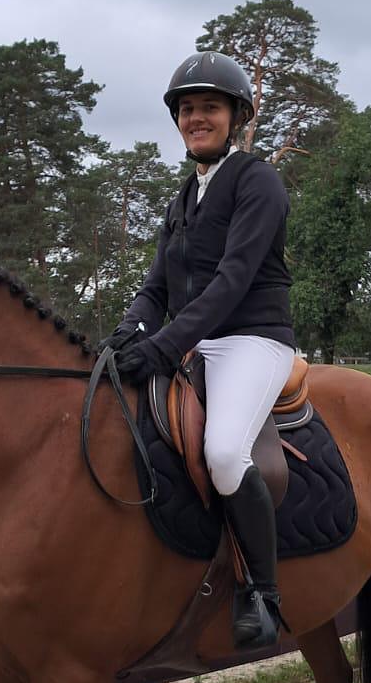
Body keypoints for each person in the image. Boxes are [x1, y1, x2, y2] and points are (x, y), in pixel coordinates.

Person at [106, 52, 296, 650]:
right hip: (194, 342)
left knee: (221, 452)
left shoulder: (257, 180)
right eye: (187, 110)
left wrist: (163, 347)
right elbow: (156, 287)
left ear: (235, 115)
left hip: (252, 339)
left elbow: (232, 281)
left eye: (209, 108)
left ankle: (262, 596)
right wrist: (130, 332)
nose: (196, 118)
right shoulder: (184, 197)